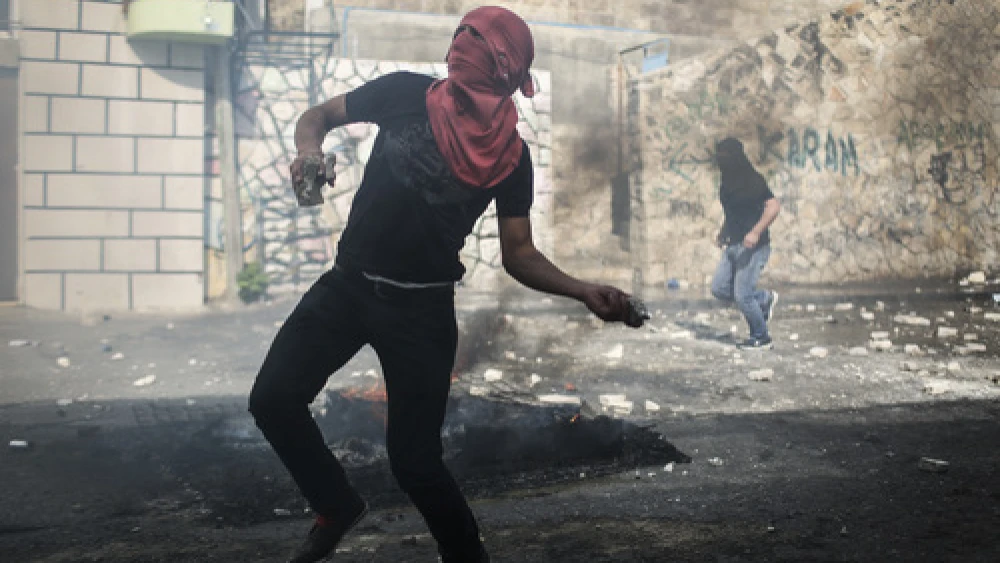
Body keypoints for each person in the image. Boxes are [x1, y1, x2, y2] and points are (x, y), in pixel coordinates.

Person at [247, 7, 641, 563]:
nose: (461, 48)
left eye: (475, 43)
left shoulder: (512, 158)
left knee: (415, 463)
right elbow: (318, 116)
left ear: (500, 69)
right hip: (348, 287)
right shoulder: (404, 93)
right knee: (272, 399)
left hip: (422, 312)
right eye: (463, 37)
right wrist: (308, 152)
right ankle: (336, 506)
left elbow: (519, 254)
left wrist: (581, 289)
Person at [710, 137, 781, 349]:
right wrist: (723, 232)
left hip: (753, 247)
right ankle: (763, 300)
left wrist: (755, 232)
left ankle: (761, 337)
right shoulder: (727, 181)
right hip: (733, 244)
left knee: (742, 296)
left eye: (725, 156)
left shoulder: (753, 180)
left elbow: (773, 206)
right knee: (719, 289)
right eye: (719, 156)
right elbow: (732, 212)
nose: (721, 161)